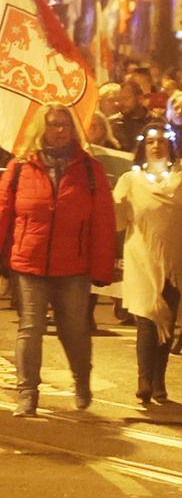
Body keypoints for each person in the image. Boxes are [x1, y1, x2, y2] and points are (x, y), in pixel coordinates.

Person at [0, 105, 116, 414]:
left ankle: (81, 379)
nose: (59, 130)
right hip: (29, 262)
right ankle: (27, 394)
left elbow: (103, 222)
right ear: (42, 128)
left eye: (65, 124)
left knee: (74, 329)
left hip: (73, 267)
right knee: (30, 327)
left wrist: (102, 268)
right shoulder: (21, 168)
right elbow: (3, 212)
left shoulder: (90, 170)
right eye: (53, 124)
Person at [115, 124, 182, 407]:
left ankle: (159, 378)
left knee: (167, 321)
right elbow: (116, 220)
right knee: (148, 317)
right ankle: (144, 380)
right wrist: (111, 202)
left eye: (162, 141)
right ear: (143, 147)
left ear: (171, 146)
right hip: (142, 259)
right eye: (150, 141)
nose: (156, 146)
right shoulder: (130, 181)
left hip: (177, 260)